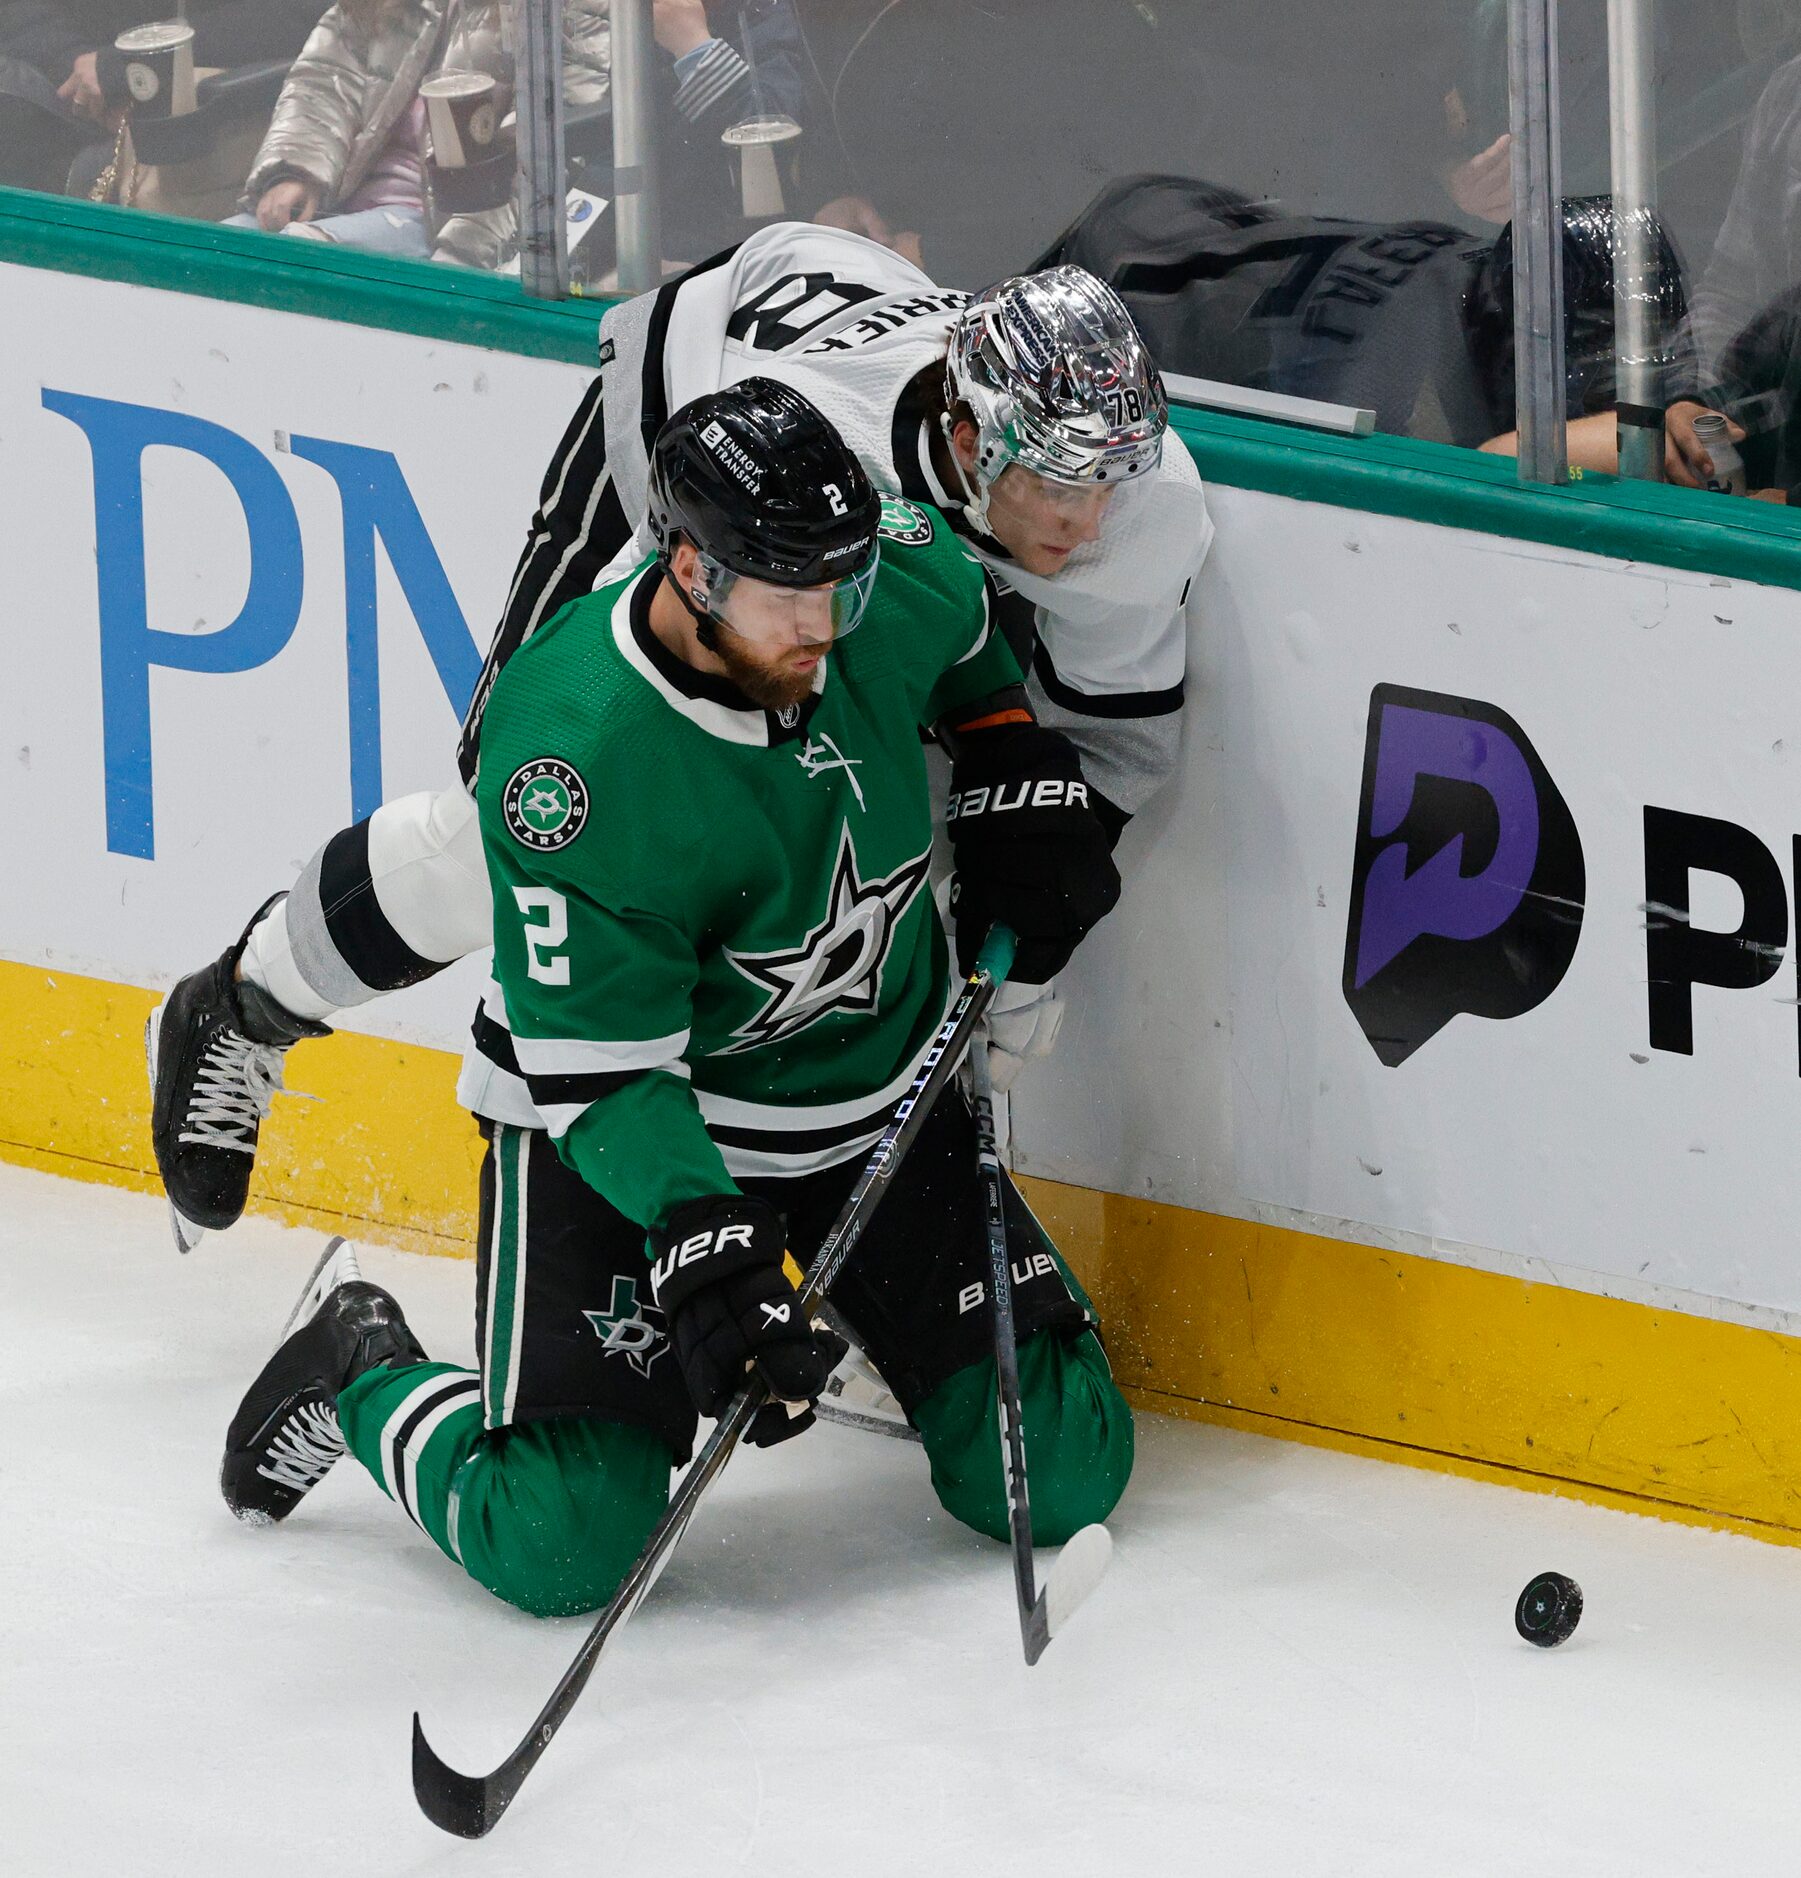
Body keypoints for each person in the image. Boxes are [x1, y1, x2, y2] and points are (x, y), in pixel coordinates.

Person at [215, 380, 1133, 1618]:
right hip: (630, 1134)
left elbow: (965, 650)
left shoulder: (884, 579)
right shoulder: (571, 757)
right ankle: (357, 1369)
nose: (829, 625)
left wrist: (1011, 750)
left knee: (1062, 1468)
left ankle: (855, 1305)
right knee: (563, 1544)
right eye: (792, 598)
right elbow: (600, 1078)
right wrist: (704, 1246)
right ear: (693, 572)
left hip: (873, 1109)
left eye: (843, 587)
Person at [147, 224, 1209, 1251]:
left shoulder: (1144, 506)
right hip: (706, 400)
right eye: (1059, 487)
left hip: (851, 368)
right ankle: (244, 1002)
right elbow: (652, 676)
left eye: (1109, 483)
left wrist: (1036, 872)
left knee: (884, 872)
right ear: (971, 440)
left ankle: (885, 1245)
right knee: (512, 829)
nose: (1088, 525)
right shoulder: (792, 448)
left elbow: (1109, 745)